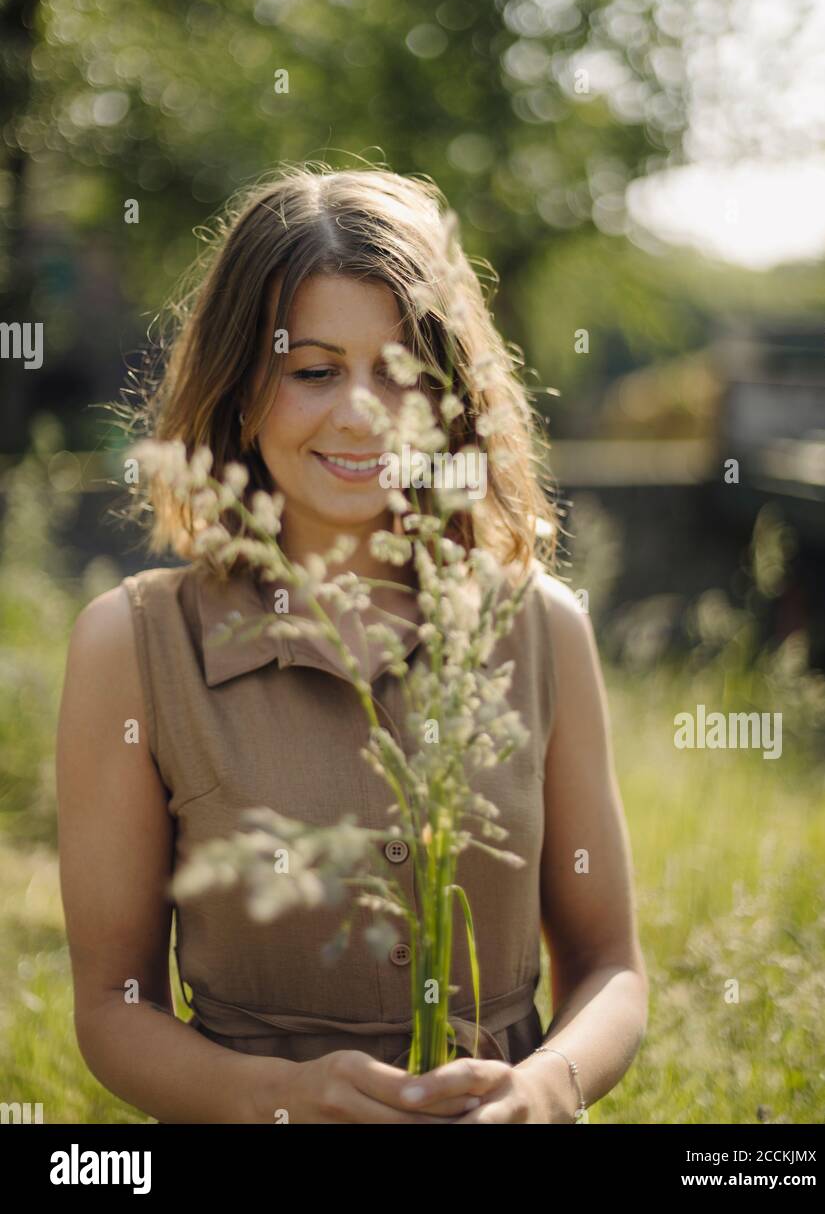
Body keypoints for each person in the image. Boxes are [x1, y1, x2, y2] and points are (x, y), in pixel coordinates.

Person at [56, 163, 648, 1124]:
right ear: (243, 386)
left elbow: (611, 968)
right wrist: (281, 1098)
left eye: (402, 370)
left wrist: (546, 1087)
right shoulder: (132, 643)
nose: (364, 412)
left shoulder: (542, 626)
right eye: (315, 370)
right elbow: (112, 1009)